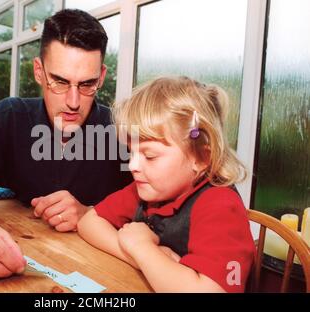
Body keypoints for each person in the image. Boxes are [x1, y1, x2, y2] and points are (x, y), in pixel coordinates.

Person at [0, 9, 131, 283]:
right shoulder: (9, 117)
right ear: (38, 71)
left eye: (87, 84)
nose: (73, 101)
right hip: (23, 262)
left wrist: (90, 214)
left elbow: (154, 217)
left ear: (102, 77)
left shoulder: (122, 131)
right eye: (59, 81)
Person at [77, 76, 256, 292]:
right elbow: (88, 222)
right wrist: (143, 257)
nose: (133, 165)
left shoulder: (221, 207)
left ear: (201, 158)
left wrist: (143, 248)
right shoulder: (147, 188)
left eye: (150, 156)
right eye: (131, 152)